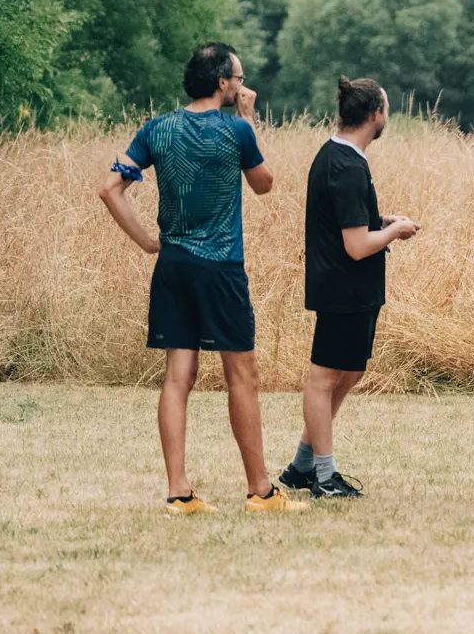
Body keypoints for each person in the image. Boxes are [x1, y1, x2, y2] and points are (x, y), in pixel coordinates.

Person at [97, 42, 301, 515]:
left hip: (173, 264)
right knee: (242, 377)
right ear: (222, 82)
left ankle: (179, 492)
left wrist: (149, 242)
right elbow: (264, 184)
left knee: (177, 377)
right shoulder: (235, 130)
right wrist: (250, 120)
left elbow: (109, 189)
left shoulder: (157, 128)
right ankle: (261, 491)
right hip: (221, 266)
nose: (242, 86)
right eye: (239, 78)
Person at [280, 77, 420, 499]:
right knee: (323, 378)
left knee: (352, 370)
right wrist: (394, 233)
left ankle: (302, 466)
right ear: (375, 114)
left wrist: (383, 223)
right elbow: (356, 246)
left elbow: (352, 226)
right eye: (387, 110)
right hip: (343, 287)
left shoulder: (341, 157)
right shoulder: (346, 164)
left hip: (354, 288)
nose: (387, 117)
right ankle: (324, 476)